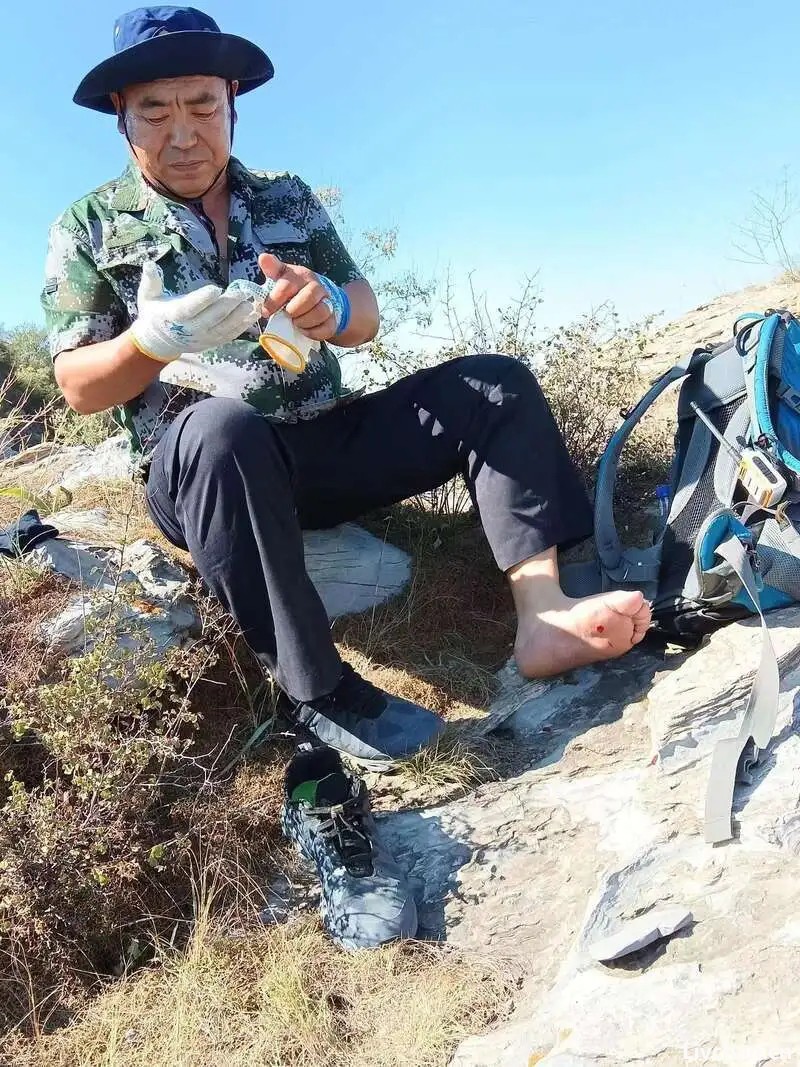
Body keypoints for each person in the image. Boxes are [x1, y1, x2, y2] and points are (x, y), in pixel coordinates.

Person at [43, 6, 652, 948]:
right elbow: (78, 383)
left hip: (321, 438)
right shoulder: (88, 225)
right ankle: (322, 693)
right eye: (156, 109)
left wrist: (329, 307)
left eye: (202, 104)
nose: (183, 131)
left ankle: (543, 616)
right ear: (122, 114)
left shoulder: (282, 196)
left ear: (233, 102)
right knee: (222, 426)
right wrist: (150, 340)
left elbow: (365, 311)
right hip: (201, 467)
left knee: (494, 384)